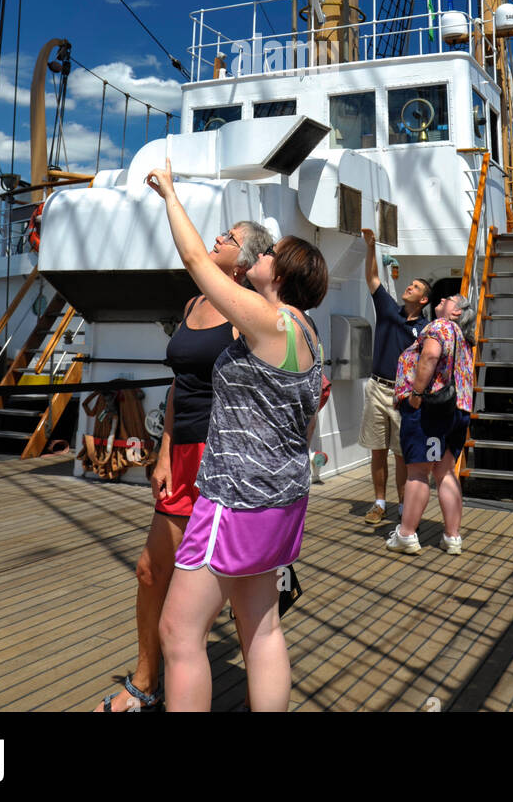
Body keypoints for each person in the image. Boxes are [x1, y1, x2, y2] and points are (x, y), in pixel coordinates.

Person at [148, 159, 327, 712]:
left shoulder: (270, 322)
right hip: (283, 499)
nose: (260, 254)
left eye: (270, 254)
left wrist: (170, 193)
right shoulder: (306, 334)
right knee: (262, 626)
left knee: (179, 632)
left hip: (237, 500)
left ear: (280, 274)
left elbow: (195, 259)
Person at [96, 218, 272, 712]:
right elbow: (181, 385)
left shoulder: (249, 312)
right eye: (219, 233)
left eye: (229, 238)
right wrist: (165, 451)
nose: (217, 239)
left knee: (236, 591)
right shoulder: (195, 302)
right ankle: (146, 681)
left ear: (246, 260)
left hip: (227, 459)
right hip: (183, 455)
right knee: (152, 571)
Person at [387, 277, 474, 555]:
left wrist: (416, 393)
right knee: (445, 471)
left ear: (456, 311)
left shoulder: (439, 326)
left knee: (418, 472)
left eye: (448, 300)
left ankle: (407, 534)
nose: (443, 299)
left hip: (430, 411)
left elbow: (429, 357)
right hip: (457, 411)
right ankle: (452, 537)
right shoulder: (462, 337)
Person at [359, 228, 430, 525]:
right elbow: (373, 278)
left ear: (424, 300)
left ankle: (403, 507)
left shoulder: (427, 330)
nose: (409, 288)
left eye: (414, 287)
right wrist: (371, 247)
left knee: (401, 455)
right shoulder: (389, 309)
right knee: (378, 450)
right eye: (410, 284)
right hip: (377, 387)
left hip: (403, 396)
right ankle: (379, 503)